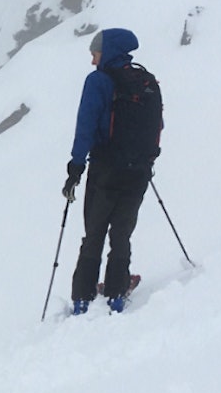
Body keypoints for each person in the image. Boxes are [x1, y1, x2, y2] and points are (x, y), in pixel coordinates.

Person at [62, 28, 156, 314]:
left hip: (105, 171)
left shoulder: (99, 81)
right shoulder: (145, 81)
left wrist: (75, 167)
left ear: (107, 52)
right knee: (121, 234)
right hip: (138, 171)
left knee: (94, 234)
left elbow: (86, 126)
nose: (93, 61)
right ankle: (116, 294)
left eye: (95, 53)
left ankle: (82, 299)